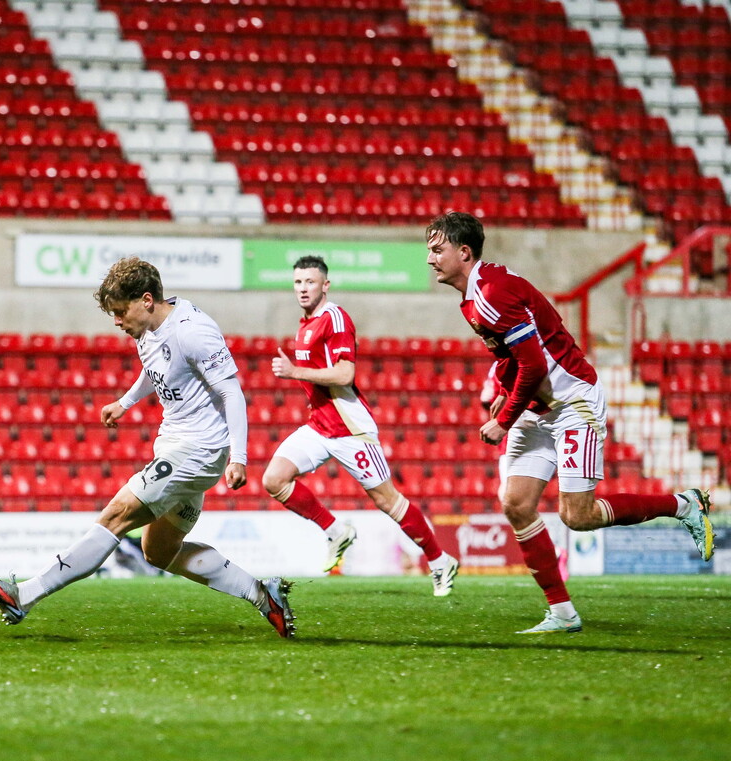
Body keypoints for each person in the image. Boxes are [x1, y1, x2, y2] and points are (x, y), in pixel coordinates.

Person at [0, 257, 295, 638]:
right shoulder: (148, 331)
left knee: (117, 514)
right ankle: (263, 596)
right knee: (159, 550)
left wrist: (238, 457)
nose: (117, 321)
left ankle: (23, 596)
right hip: (176, 446)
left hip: (198, 450)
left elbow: (231, 392)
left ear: (146, 300)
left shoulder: (193, 331)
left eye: (120, 312)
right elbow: (156, 367)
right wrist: (125, 402)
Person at [426, 211, 714, 633]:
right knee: (516, 504)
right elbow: (512, 356)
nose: (430, 258)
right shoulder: (475, 294)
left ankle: (683, 504)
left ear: (463, 252)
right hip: (538, 408)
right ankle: (562, 612)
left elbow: (535, 365)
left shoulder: (490, 294)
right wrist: (506, 391)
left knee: (578, 516)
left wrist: (505, 418)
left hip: (573, 404)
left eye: (437, 249)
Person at [261, 255, 459, 595]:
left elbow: (345, 374)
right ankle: (336, 531)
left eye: (310, 282)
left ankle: (440, 561)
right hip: (319, 425)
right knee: (274, 479)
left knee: (388, 501)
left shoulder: (335, 318)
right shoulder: (305, 324)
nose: (303, 288)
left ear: (325, 285)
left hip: (351, 428)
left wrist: (294, 372)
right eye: (298, 282)